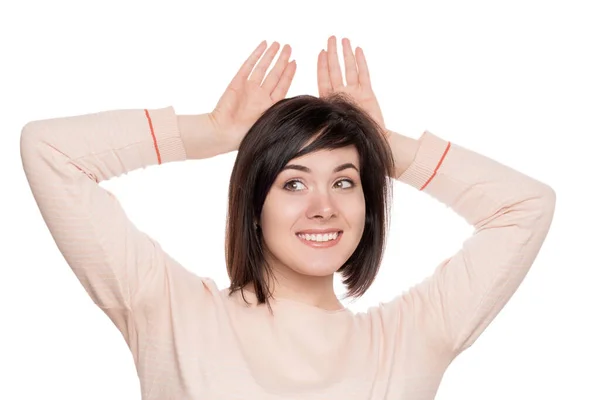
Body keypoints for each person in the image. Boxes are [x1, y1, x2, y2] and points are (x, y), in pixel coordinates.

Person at [20, 36, 556, 399]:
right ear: (254, 206)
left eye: (344, 181)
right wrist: (213, 131)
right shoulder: (168, 309)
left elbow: (526, 206)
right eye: (293, 182)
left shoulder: (412, 336)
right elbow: (48, 151)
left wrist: (383, 145)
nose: (323, 205)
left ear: (368, 208)